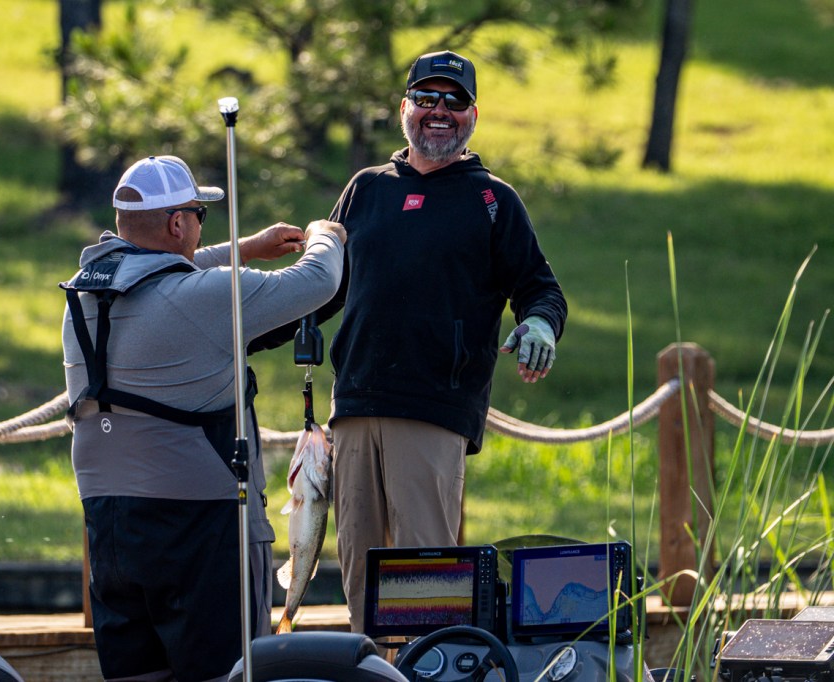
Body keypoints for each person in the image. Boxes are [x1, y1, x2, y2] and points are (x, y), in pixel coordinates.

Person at [60, 154, 347, 681]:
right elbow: (317, 281)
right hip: (199, 526)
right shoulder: (207, 297)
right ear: (178, 223)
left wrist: (246, 247)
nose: (199, 228)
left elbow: (151, 267)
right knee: (228, 674)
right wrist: (325, 234)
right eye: (199, 215)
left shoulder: (84, 292)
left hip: (107, 526)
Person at [321, 50, 568, 633]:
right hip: (353, 405)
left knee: (424, 584)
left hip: (433, 408)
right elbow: (320, 286)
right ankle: (370, 670)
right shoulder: (366, 189)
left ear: (473, 115)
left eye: (454, 101)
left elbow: (541, 290)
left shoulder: (493, 200)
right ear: (404, 108)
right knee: (359, 576)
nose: (439, 111)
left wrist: (538, 325)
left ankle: (428, 668)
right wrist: (245, 328)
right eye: (426, 98)